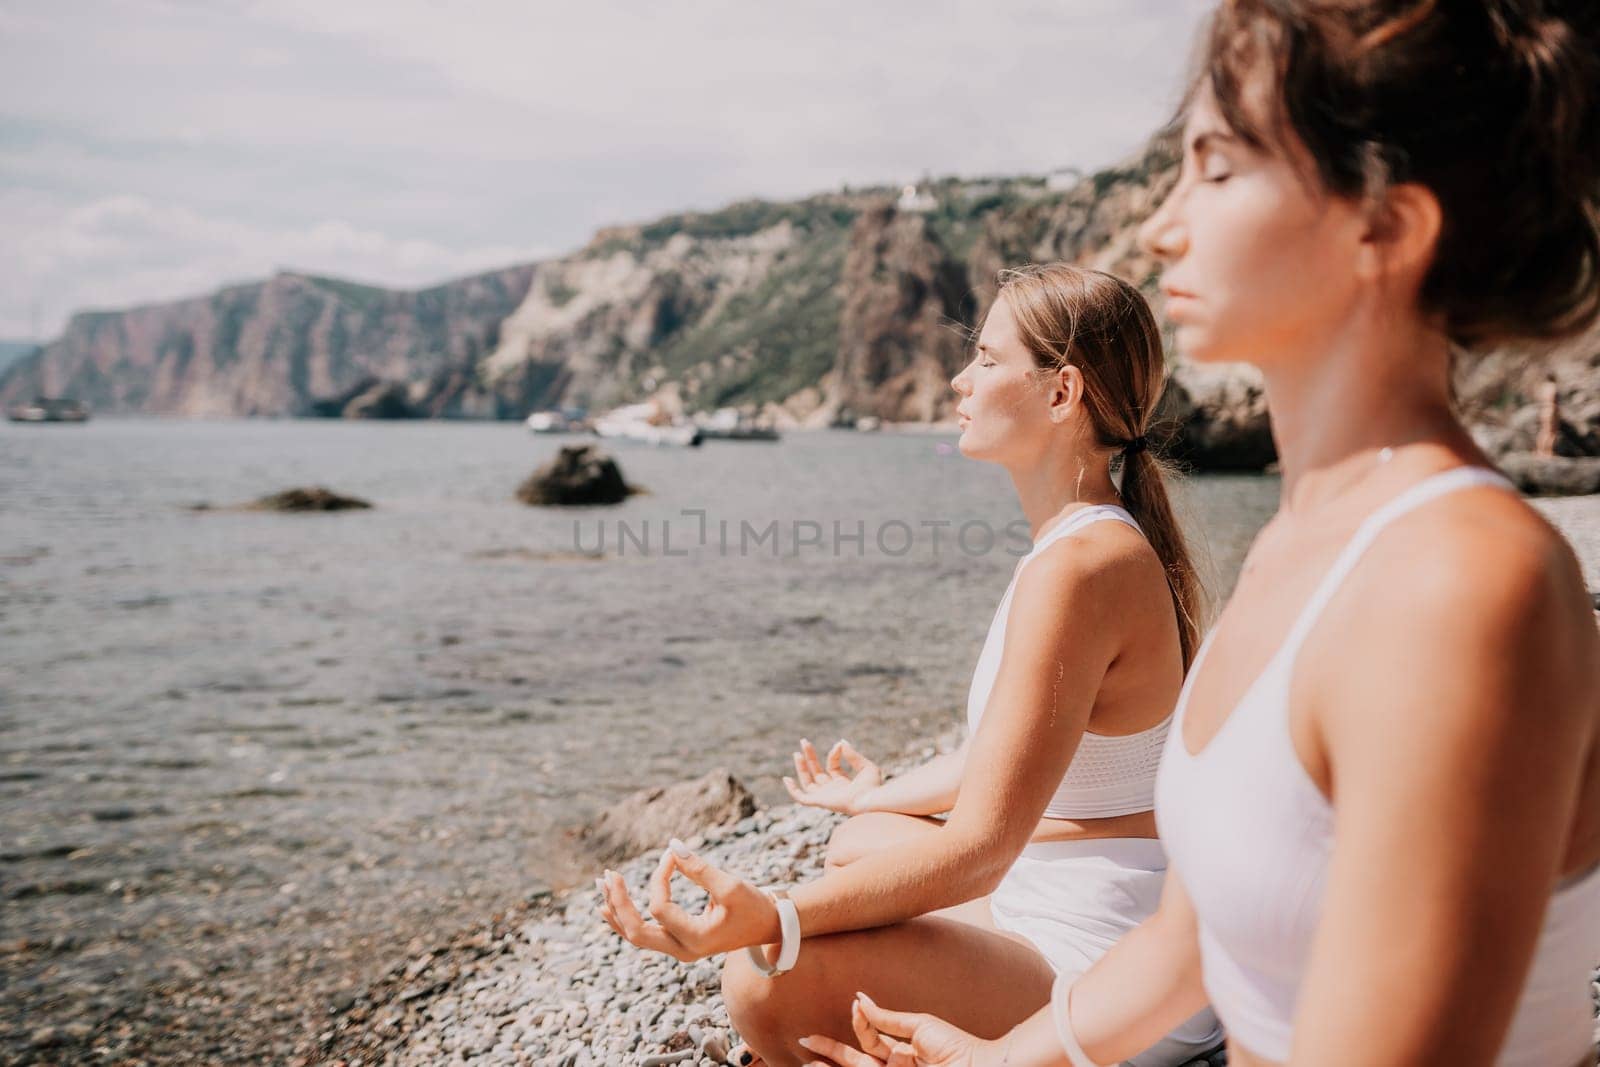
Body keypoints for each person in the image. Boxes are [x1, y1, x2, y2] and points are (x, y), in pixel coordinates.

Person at [796, 2, 1600, 1066]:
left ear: (1383, 227)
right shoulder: (1297, 545)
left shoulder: (1460, 583)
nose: (1165, 225)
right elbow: (1192, 939)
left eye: (1214, 171)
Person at [599, 263, 1221, 1066]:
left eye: (989, 360)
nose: (962, 379)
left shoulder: (1080, 568)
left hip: (1104, 970)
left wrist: (775, 916)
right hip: (1066, 899)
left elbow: (981, 849)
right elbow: (1000, 750)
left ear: (1062, 393)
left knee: (761, 977)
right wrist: (873, 793)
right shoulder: (1084, 544)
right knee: (861, 837)